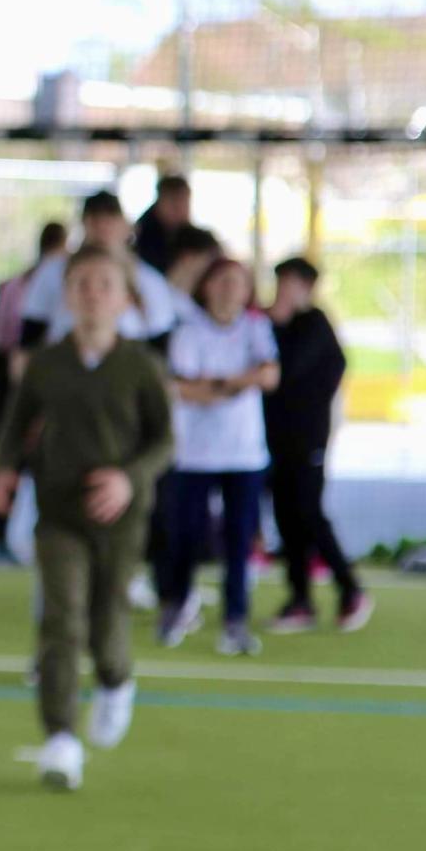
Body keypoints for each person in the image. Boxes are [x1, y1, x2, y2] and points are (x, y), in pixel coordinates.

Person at [0, 246, 174, 792]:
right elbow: (16, 421)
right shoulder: (45, 364)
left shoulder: (141, 366)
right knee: (61, 620)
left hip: (122, 520)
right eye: (81, 284)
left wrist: (128, 478)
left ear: (124, 299)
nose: (92, 294)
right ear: (67, 296)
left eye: (103, 284)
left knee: (106, 628)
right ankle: (60, 738)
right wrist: (5, 471)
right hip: (58, 514)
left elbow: (164, 442)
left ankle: (117, 682)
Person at [165, 258, 280, 655]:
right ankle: (176, 606)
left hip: (244, 454)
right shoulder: (190, 331)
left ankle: (235, 620)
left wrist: (218, 385)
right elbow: (183, 387)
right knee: (187, 536)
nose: (230, 290)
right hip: (194, 455)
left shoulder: (256, 328)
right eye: (223, 281)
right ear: (208, 286)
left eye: (239, 283)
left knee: (239, 541)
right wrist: (236, 384)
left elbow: (268, 376)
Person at [266, 257, 373, 633]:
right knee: (287, 518)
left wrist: (276, 325)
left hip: (307, 438)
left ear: (307, 287)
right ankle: (300, 599)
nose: (282, 290)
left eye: (291, 283)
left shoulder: (313, 325)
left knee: (308, 513)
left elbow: (285, 371)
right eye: (280, 282)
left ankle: (351, 588)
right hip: (275, 440)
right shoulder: (270, 323)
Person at [0, 222, 68, 563]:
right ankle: (1, 533)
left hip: (9, 384)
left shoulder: (17, 284)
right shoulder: (38, 285)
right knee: (16, 460)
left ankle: (1, 534)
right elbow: (18, 349)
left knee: (10, 460)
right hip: (23, 388)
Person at [147, 223, 221, 623]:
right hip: (156, 427)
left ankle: (175, 592)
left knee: (178, 513)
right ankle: (169, 593)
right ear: (192, 260)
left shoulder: (190, 311)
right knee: (163, 512)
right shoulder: (155, 303)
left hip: (188, 435)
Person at [19, 191, 177, 353]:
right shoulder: (52, 271)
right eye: (95, 220)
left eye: (110, 219)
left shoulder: (150, 280)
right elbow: (31, 333)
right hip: (64, 368)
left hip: (126, 370)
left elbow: (160, 344)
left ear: (126, 225)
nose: (102, 227)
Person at [133, 172, 193, 275]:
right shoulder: (143, 235)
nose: (179, 209)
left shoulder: (191, 236)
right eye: (174, 203)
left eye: (184, 202)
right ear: (160, 202)